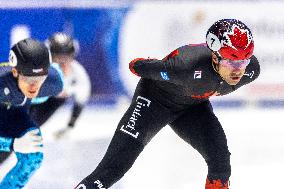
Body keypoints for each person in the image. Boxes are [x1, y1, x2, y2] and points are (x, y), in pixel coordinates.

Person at [75, 19, 260, 189]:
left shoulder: (250, 71)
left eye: (243, 61)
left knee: (220, 163)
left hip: (192, 108)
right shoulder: (185, 66)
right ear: (215, 57)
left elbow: (224, 76)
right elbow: (136, 66)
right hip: (154, 102)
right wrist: (144, 65)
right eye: (231, 62)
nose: (238, 70)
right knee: (110, 172)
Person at [0, 38, 63, 189]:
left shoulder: (53, 83)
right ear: (15, 72)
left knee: (33, 156)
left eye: (40, 78)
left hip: (14, 115)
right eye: (28, 78)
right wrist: (12, 144)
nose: (34, 86)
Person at [29, 32, 91, 138]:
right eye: (57, 58)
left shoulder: (79, 74)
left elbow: (80, 102)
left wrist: (69, 126)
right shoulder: (36, 68)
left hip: (47, 104)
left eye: (66, 58)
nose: (62, 63)